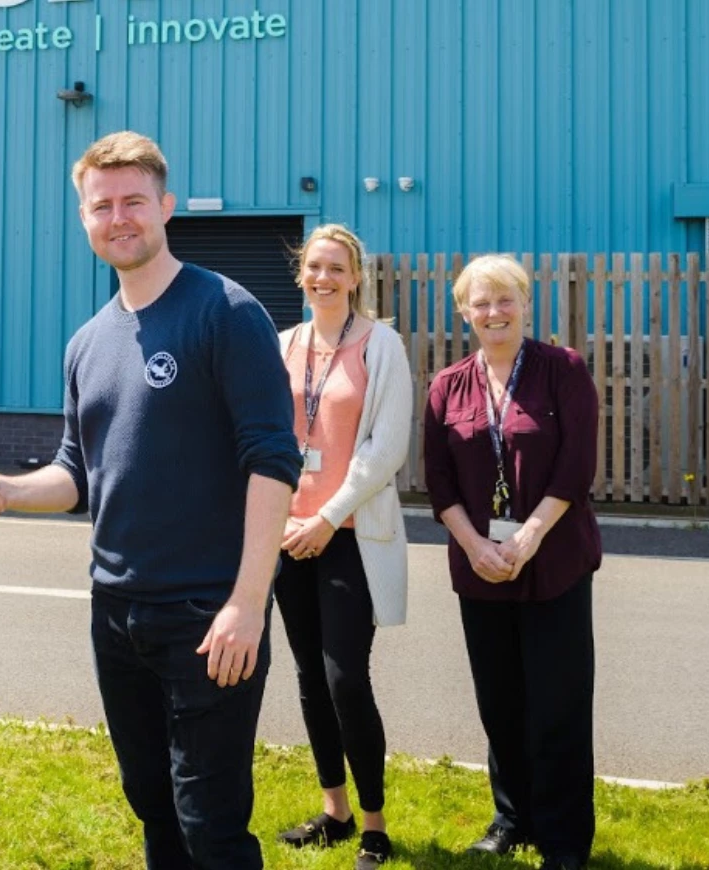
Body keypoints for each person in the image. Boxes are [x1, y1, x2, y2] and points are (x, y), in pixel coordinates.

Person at [0, 131, 300, 869]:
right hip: (116, 610)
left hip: (208, 614)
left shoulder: (226, 312)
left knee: (210, 821)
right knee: (151, 803)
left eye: (134, 201)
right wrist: (5, 491)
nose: (119, 218)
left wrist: (248, 601)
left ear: (166, 206)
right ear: (83, 218)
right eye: (101, 205)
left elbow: (274, 461)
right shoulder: (87, 342)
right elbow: (76, 473)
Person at [422, 255, 602, 870]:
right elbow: (438, 481)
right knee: (500, 702)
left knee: (559, 704)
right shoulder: (448, 384)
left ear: (526, 303)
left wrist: (527, 538)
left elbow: (576, 467)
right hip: (480, 567)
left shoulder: (562, 370)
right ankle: (512, 818)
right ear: (464, 311)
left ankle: (564, 840)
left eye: (505, 300)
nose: (494, 312)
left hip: (553, 563)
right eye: (481, 302)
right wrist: (475, 545)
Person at [270, 225, 413, 870]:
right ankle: (335, 811)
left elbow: (385, 451)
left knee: (344, 678)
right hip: (286, 534)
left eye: (336, 268)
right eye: (314, 268)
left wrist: (326, 517)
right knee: (307, 677)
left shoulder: (381, 346)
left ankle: (376, 826)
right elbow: (266, 436)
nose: (323, 278)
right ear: (301, 275)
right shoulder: (281, 345)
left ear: (356, 277)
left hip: (348, 533)